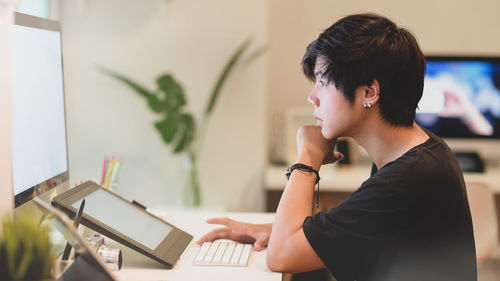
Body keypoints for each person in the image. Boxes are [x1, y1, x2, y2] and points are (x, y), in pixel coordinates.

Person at [197, 13, 477, 281]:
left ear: (369, 92)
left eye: (322, 82)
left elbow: (281, 257)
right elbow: (360, 227)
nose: (312, 97)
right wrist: (276, 230)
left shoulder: (408, 178)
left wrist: (308, 156)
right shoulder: (420, 152)